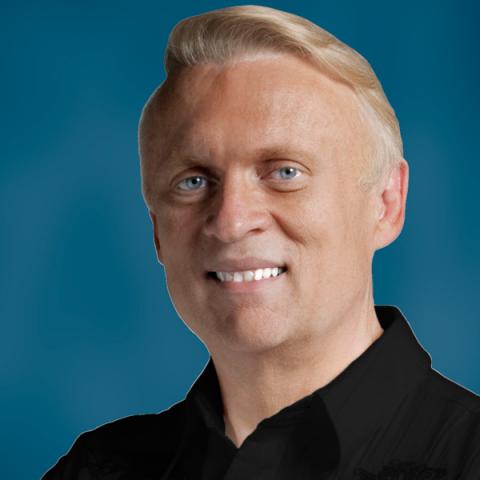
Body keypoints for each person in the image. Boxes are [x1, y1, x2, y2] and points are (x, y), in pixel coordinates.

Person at [42, 5, 480, 479]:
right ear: (157, 233)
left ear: (387, 203)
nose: (231, 221)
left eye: (285, 172)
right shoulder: (97, 469)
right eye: (193, 182)